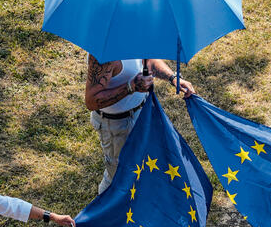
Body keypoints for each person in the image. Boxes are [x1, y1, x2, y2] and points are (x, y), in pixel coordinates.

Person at [84, 55, 197, 194]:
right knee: (118, 176)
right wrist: (131, 87)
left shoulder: (137, 34)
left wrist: (173, 78)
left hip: (142, 112)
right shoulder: (105, 56)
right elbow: (91, 101)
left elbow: (149, 60)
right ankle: (105, 211)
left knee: (141, 162)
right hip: (116, 125)